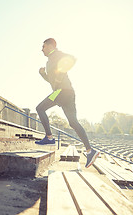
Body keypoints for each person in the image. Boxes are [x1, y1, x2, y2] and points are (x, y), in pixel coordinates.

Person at [35, 38, 99, 168]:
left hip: (61, 92)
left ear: (51, 46)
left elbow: (73, 59)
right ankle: (90, 151)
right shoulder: (49, 62)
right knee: (73, 122)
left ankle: (49, 137)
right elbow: (52, 81)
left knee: (40, 108)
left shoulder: (57, 54)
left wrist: (60, 74)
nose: (42, 49)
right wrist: (43, 75)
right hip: (66, 92)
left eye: (44, 46)